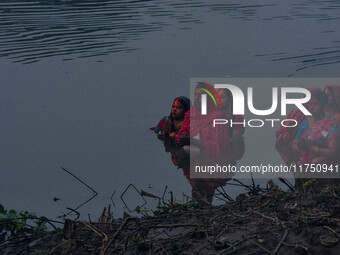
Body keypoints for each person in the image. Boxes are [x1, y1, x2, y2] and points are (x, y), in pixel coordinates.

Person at [176, 82, 231, 204]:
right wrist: (180, 139)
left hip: (212, 163)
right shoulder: (191, 114)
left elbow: (220, 147)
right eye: (195, 95)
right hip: (192, 161)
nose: (197, 98)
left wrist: (194, 142)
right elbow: (180, 135)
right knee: (196, 188)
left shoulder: (218, 116)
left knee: (206, 189)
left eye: (201, 95)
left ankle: (206, 205)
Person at [293, 91, 340, 188]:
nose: (312, 107)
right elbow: (295, 145)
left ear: (323, 105)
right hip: (304, 167)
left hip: (324, 170)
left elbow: (335, 153)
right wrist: (298, 145)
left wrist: (311, 148)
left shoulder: (331, 124)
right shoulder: (304, 124)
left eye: (316, 104)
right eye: (310, 104)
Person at [276, 88, 321, 165]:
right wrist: (288, 135)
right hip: (296, 157)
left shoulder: (325, 115)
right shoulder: (295, 114)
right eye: (306, 97)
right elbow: (280, 132)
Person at [218, 88, 245, 165]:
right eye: (217, 98)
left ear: (230, 100)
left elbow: (236, 139)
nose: (218, 100)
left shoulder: (237, 117)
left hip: (231, 156)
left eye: (222, 97)